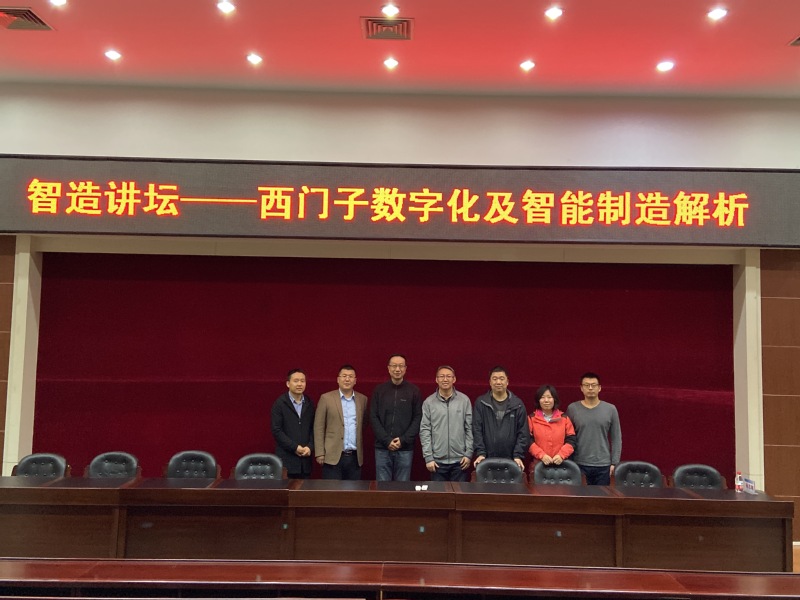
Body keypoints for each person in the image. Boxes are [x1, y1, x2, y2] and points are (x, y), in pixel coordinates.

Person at [370, 354, 422, 481]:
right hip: (382, 448)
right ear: (388, 368)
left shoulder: (414, 391)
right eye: (394, 366)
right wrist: (386, 440)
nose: (397, 369)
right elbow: (373, 416)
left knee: (402, 488)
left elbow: (418, 418)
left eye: (401, 366)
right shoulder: (379, 390)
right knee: (382, 487)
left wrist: (403, 440)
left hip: (405, 448)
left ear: (405, 369)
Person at [565, 372, 622, 485]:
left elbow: (616, 437)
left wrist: (614, 463)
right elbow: (567, 437)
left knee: (601, 496)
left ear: (599, 388)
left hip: (603, 465)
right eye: (586, 385)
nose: (590, 388)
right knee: (580, 495)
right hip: (579, 463)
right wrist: (569, 461)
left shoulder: (610, 409)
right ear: (581, 388)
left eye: (593, 385)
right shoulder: (573, 408)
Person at [419, 365, 473, 481]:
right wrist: (428, 457)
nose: (445, 379)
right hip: (437, 462)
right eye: (441, 376)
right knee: (439, 493)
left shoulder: (464, 401)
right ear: (436, 379)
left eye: (448, 376)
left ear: (454, 379)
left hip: (460, 461)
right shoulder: (429, 402)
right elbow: (425, 430)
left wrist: (468, 454)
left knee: (459, 493)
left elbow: (469, 428)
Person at [314, 364, 368, 480]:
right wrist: (319, 452)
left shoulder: (362, 399)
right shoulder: (326, 398)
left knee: (353, 490)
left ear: (355, 380)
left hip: (354, 457)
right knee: (332, 490)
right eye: (344, 376)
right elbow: (318, 427)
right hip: (332, 456)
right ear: (338, 379)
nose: (347, 379)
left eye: (350, 376)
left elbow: (364, 424)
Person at [472, 366, 529, 471]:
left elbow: (523, 432)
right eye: (495, 379)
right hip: (486, 459)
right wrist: (481, 453)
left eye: (502, 379)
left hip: (511, 460)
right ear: (490, 382)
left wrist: (517, 455)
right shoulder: (481, 403)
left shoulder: (518, 404)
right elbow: (477, 430)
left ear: (507, 382)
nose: (498, 382)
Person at [270, 368, 315, 479]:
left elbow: (314, 428)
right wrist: (295, 447)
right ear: (288, 383)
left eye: (302, 381)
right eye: (296, 381)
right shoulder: (280, 403)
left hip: (305, 461)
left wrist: (310, 447)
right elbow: (276, 430)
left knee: (305, 489)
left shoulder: (309, 403)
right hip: (287, 460)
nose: (299, 384)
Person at [527, 384, 576, 467]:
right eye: (542, 397)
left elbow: (572, 440)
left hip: (561, 463)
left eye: (549, 397)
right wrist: (541, 455)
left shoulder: (564, 418)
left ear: (554, 399)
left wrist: (561, 455)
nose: (546, 400)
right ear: (538, 400)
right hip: (538, 464)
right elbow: (528, 441)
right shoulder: (531, 418)